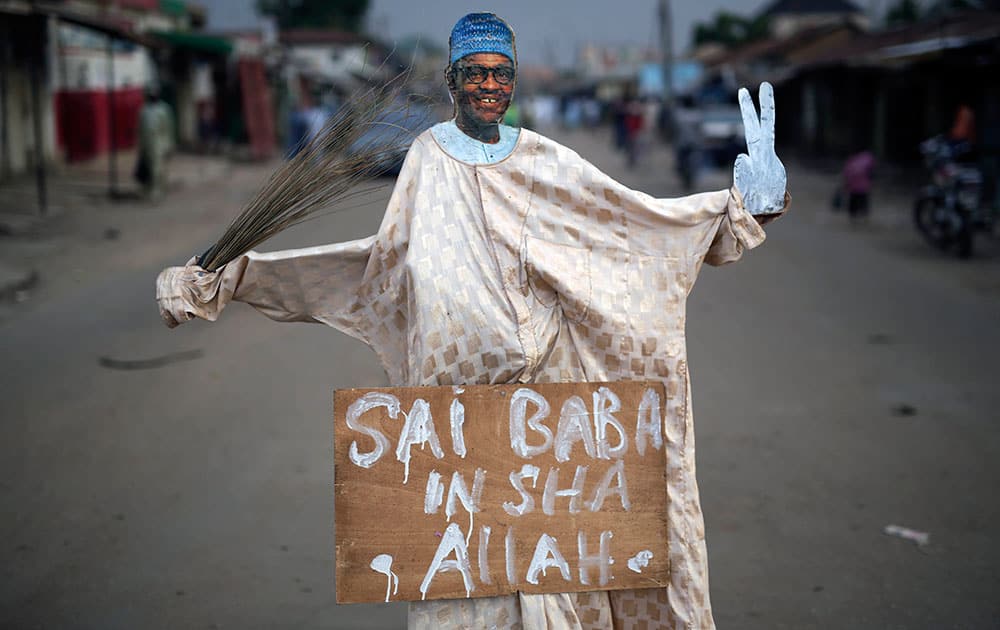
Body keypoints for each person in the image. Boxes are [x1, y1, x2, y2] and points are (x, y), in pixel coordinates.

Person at [156, 12, 789, 629]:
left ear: (514, 81)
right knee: (469, 599)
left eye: (501, 73)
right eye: (475, 73)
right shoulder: (427, 161)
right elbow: (382, 267)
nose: (490, 86)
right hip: (457, 440)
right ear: (453, 82)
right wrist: (233, 279)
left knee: (571, 582)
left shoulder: (546, 162)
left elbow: (631, 230)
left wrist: (738, 211)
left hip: (551, 430)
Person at [135, 87, 174, 199]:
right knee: (148, 165)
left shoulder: (164, 109)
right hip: (147, 142)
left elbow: (168, 128)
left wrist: (169, 144)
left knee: (157, 166)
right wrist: (140, 145)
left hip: (159, 141)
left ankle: (157, 189)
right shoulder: (144, 110)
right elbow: (139, 129)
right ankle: (149, 187)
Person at [842, 150, 875, 222]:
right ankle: (863, 223)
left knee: (852, 211)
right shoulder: (867, 158)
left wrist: (846, 186)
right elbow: (871, 173)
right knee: (864, 210)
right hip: (863, 188)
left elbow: (846, 175)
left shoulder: (851, 161)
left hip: (853, 189)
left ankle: (854, 223)